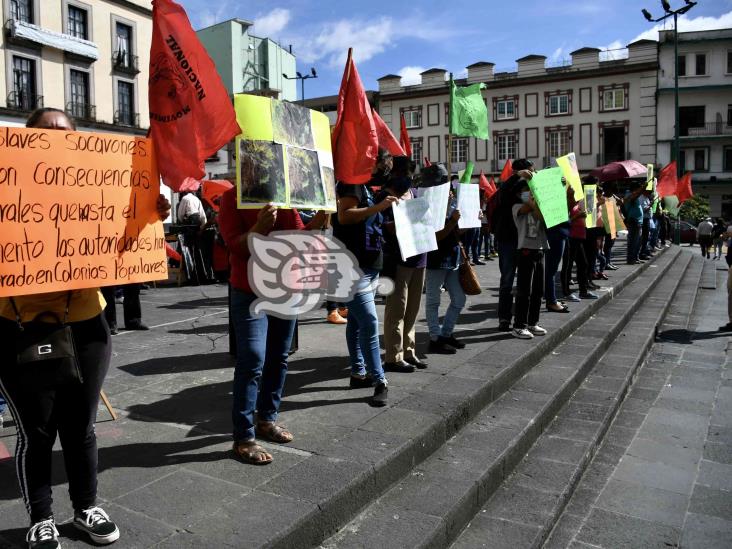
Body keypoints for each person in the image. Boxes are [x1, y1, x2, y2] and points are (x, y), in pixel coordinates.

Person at [0, 107, 171, 549]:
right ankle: (41, 518)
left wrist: (150, 214)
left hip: (87, 328)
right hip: (21, 328)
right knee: (36, 433)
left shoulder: (99, 188)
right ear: (25, 139)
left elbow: (125, 243)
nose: (56, 139)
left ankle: (86, 508)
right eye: (45, 133)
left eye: (66, 133)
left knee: (81, 428)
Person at [219, 188, 326, 465]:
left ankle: (267, 419)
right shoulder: (232, 198)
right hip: (249, 291)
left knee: (279, 356)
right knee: (253, 357)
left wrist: (316, 224)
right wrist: (258, 228)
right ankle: (243, 436)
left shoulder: (286, 196)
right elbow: (234, 245)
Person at [332, 149, 397, 406]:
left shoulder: (366, 186)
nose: (387, 167)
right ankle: (379, 379)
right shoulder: (352, 182)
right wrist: (379, 206)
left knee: (357, 323)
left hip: (370, 266)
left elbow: (369, 222)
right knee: (369, 322)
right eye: (385, 162)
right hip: (352, 268)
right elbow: (344, 216)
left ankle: (357, 372)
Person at [379, 157, 428, 371]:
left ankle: (409, 350)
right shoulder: (383, 197)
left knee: (413, 308)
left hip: (419, 256)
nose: (408, 179)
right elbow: (378, 225)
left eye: (410, 175)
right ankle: (393, 356)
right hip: (398, 259)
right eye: (405, 175)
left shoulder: (415, 194)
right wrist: (395, 223)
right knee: (397, 308)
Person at [494, 159, 535, 331]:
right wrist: (516, 176)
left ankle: (524, 319)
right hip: (508, 239)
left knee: (526, 282)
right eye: (530, 171)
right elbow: (503, 192)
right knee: (507, 281)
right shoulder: (508, 188)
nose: (533, 174)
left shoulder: (530, 188)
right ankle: (504, 318)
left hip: (527, 238)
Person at [425, 192, 466, 354]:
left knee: (459, 298)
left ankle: (446, 334)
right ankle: (435, 338)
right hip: (436, 261)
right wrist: (453, 221)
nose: (449, 194)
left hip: (452, 259)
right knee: (433, 300)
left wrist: (471, 221)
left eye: (450, 190)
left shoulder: (452, 209)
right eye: (446, 190)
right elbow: (437, 236)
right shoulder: (432, 209)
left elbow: (457, 233)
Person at [512, 180, 549, 339]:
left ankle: (533, 322)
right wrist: (535, 200)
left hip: (540, 249)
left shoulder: (538, 206)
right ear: (519, 194)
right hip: (526, 249)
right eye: (527, 190)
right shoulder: (517, 207)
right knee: (524, 290)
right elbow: (529, 208)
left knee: (538, 290)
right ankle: (519, 325)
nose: (531, 193)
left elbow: (545, 219)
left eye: (532, 190)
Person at [545, 178, 571, 313]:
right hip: (555, 234)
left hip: (559, 233)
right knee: (551, 270)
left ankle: (551, 298)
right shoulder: (548, 198)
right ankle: (551, 301)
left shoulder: (555, 197)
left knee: (551, 270)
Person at [624, 182, 644, 264]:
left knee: (637, 241)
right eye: (638, 188)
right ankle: (631, 259)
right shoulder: (629, 195)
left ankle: (635, 257)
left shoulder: (633, 194)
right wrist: (642, 189)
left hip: (637, 221)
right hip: (634, 221)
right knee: (633, 241)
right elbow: (634, 197)